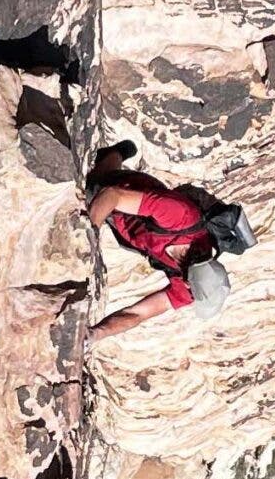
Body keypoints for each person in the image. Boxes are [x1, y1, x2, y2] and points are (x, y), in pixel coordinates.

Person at [85, 142, 235, 339]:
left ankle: (113, 156)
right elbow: (112, 195)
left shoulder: (191, 287)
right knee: (93, 186)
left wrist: (97, 334)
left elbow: (138, 313)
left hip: (137, 234)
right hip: (128, 192)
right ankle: (114, 154)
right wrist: (88, 240)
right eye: (191, 289)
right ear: (191, 281)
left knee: (97, 204)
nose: (188, 294)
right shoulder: (182, 216)